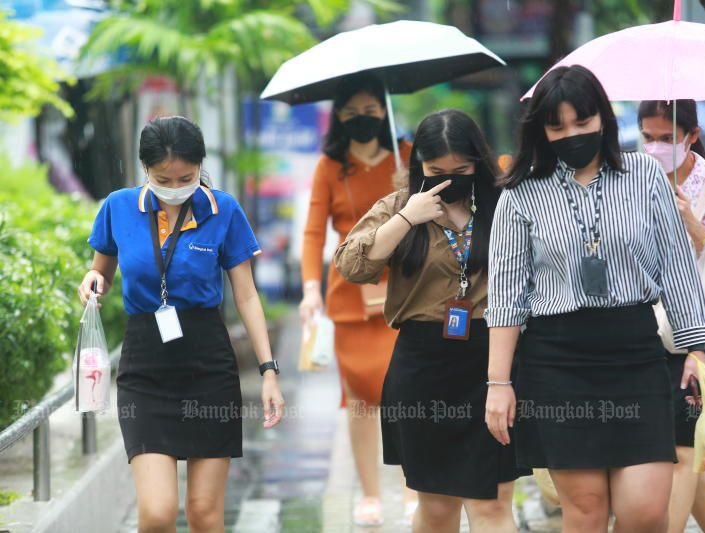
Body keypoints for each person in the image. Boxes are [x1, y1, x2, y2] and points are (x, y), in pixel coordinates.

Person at [484, 65, 705, 533]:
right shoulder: (519, 195)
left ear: (604, 120)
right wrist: (498, 384)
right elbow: (507, 294)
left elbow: (677, 267)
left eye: (583, 121)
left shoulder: (646, 176)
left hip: (635, 353)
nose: (572, 134)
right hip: (556, 363)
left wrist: (698, 350)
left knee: (645, 512)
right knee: (587, 511)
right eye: (557, 126)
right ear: (541, 131)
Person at [78, 116, 284, 532]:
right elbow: (101, 272)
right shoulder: (117, 207)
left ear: (200, 165)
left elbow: (245, 295)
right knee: (156, 514)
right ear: (145, 170)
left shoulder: (223, 209)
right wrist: (91, 281)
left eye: (185, 177)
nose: (174, 187)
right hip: (145, 369)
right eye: (163, 179)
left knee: (205, 514)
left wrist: (268, 371)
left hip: (208, 365)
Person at [335, 109, 529, 533]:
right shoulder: (401, 205)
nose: (450, 178)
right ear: (418, 164)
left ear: (478, 160)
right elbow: (351, 264)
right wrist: (407, 218)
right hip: (423, 366)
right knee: (437, 509)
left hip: (491, 361)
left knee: (493, 505)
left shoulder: (503, 203)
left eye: (461, 169)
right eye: (436, 170)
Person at [298, 72, 415, 526]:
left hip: (403, 289)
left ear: (384, 111)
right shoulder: (330, 168)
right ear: (338, 118)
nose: (362, 119)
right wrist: (310, 289)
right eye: (352, 113)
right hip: (348, 294)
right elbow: (312, 234)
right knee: (362, 398)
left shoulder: (407, 158)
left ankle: (410, 485)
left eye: (371, 111)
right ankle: (369, 493)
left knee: (404, 391)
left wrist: (412, 183)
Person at [639, 99, 705, 533]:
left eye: (666, 138)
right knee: (680, 446)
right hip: (646, 330)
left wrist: (695, 226)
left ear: (692, 136)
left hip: (703, 336)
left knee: (681, 448)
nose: (655, 146)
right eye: (647, 137)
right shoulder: (633, 181)